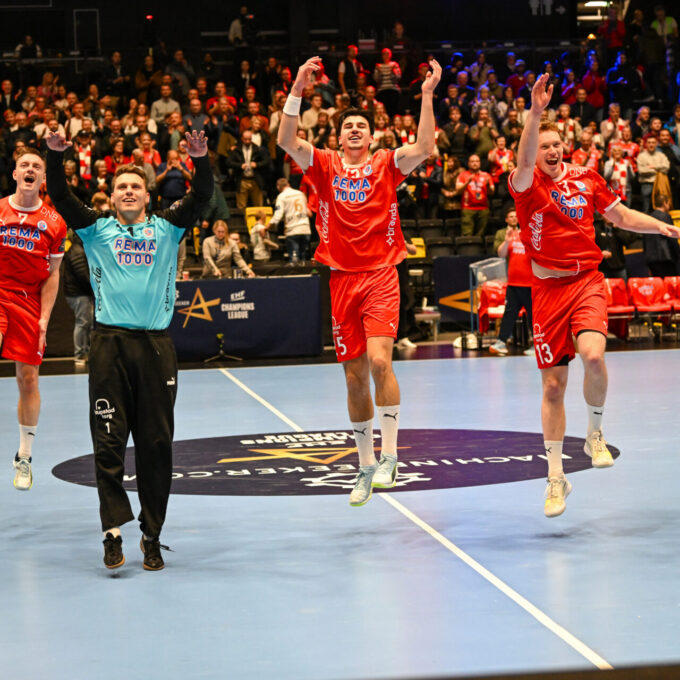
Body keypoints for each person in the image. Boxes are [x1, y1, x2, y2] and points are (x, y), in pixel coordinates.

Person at [508, 73, 680, 518]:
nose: (550, 151)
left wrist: (661, 225)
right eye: (543, 145)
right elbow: (523, 158)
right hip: (547, 290)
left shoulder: (587, 178)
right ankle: (555, 478)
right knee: (552, 386)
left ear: (563, 147)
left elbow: (620, 216)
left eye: (555, 145)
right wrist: (535, 112)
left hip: (586, 281)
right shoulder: (525, 184)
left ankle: (594, 433)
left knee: (595, 357)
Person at [45, 129, 213, 570]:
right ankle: (112, 533)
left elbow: (203, 195)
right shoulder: (97, 229)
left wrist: (200, 159)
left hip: (155, 348)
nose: (128, 191)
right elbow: (60, 196)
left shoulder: (167, 228)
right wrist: (54, 155)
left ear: (147, 195)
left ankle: (151, 535)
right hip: (109, 347)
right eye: (121, 186)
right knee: (108, 442)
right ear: (113, 195)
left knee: (156, 445)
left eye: (136, 186)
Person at [278, 56, 441, 506]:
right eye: (347, 125)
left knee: (380, 363)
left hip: (381, 275)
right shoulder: (324, 164)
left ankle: (390, 456)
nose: (354, 130)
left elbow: (426, 146)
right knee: (354, 378)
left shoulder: (387, 162)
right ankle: (366, 465)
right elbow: (286, 139)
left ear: (372, 137)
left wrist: (427, 95)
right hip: (341, 279)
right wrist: (297, 87)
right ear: (338, 136)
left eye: (361, 126)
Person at [0, 148, 67, 490]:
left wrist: (44, 321)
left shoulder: (55, 222)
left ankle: (24, 457)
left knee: (28, 380)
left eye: (36, 166)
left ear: (42, 178)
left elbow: (52, 274)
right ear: (15, 174)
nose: (29, 169)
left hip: (29, 301)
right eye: (24, 165)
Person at [489, 207, 533, 357]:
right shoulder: (511, 236)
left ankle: (538, 345)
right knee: (509, 314)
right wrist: (507, 240)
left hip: (530, 285)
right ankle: (501, 343)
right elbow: (501, 254)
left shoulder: (532, 235)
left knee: (533, 316)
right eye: (511, 216)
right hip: (513, 284)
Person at [63, 230, 94, 365]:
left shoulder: (78, 249)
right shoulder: (77, 251)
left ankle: (85, 352)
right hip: (78, 294)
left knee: (86, 322)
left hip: (79, 293)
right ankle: (80, 354)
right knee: (82, 322)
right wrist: (94, 288)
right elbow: (83, 275)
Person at [269, 177, 312, 264]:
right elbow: (309, 212)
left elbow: (278, 216)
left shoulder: (281, 197)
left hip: (293, 230)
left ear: (278, 187)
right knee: (303, 259)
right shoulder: (300, 194)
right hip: (305, 229)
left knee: (294, 261)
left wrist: (268, 226)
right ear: (288, 184)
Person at [456, 154, 494, 236]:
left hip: (483, 208)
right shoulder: (463, 175)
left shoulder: (486, 175)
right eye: (472, 161)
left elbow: (492, 192)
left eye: (477, 161)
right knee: (467, 234)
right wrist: (467, 182)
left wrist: (487, 185)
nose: (475, 163)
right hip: (468, 208)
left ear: (480, 163)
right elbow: (458, 190)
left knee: (481, 235)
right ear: (468, 163)